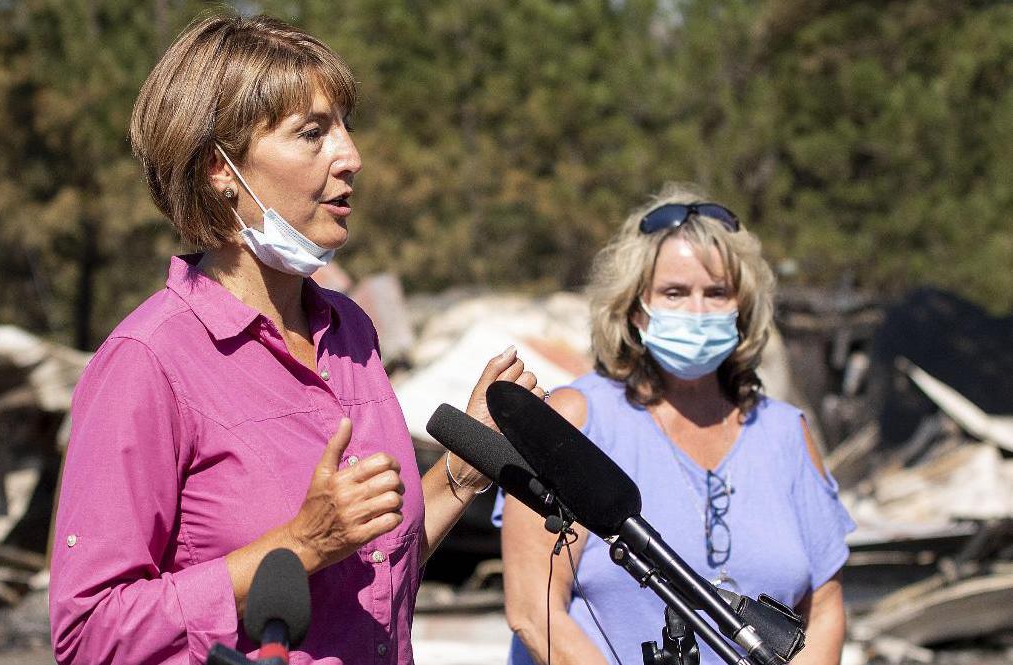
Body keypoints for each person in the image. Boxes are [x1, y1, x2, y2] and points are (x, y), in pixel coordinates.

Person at [48, 13, 542, 665]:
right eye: (313, 133)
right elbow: (88, 635)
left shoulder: (351, 332)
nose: (351, 156)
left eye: (345, 126)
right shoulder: (148, 360)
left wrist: (463, 472)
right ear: (218, 168)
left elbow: (372, 577)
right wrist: (300, 544)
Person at [496, 183, 855, 665]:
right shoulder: (577, 418)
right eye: (675, 293)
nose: (698, 311)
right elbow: (533, 610)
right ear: (634, 308)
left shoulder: (786, 434)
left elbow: (826, 610)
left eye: (717, 293)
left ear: (742, 308)